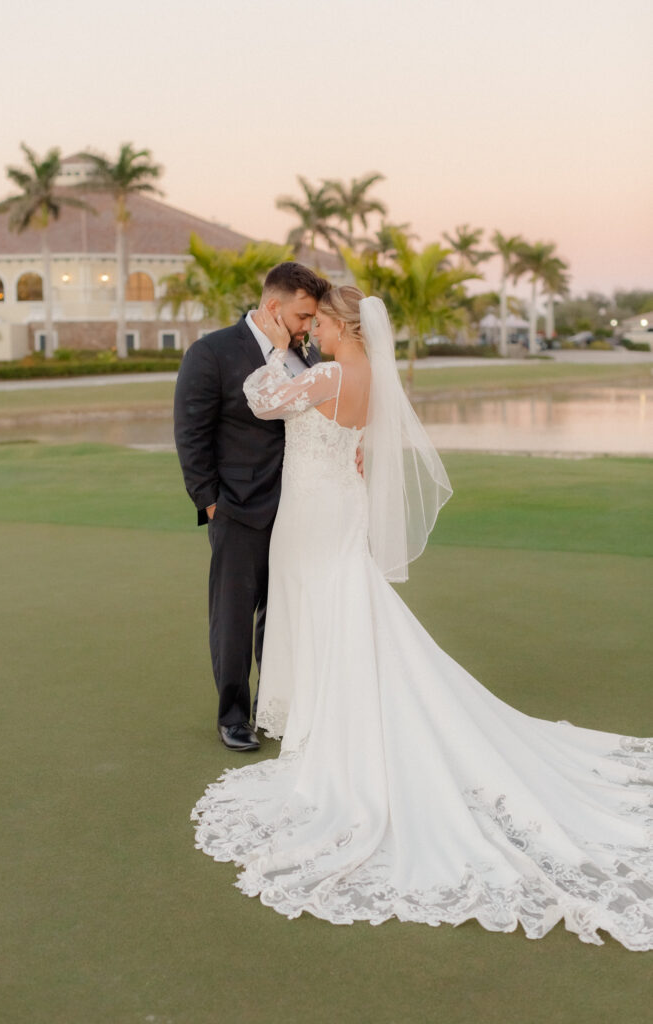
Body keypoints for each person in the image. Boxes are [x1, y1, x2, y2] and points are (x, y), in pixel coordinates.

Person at [191, 287, 652, 950]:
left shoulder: (321, 374)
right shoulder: (371, 377)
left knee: (320, 603)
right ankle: (324, 713)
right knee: (339, 601)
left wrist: (272, 344)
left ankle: (326, 725)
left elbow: (261, 398)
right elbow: (353, 440)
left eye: (316, 323)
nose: (310, 332)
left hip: (312, 514)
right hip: (334, 504)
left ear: (341, 325)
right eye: (305, 323)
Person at [174, 262, 329, 752]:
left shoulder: (304, 355)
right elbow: (191, 432)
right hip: (237, 509)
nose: (308, 327)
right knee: (235, 617)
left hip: (297, 508)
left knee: (282, 615)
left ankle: (274, 706)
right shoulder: (212, 352)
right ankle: (234, 716)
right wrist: (210, 501)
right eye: (303, 316)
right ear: (272, 307)